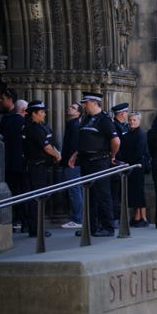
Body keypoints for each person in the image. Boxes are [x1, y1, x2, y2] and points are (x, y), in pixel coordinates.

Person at [69, 91, 119, 237]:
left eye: (86, 103)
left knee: (103, 194)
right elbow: (84, 140)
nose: (84, 106)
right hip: (86, 161)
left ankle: (107, 227)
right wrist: (75, 154)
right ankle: (91, 226)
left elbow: (115, 141)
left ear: (94, 102)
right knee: (89, 195)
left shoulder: (104, 120)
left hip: (99, 160)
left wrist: (112, 155)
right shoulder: (86, 119)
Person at [22, 100, 60, 237]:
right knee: (37, 197)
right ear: (34, 113)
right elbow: (46, 147)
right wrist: (57, 155)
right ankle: (36, 229)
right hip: (37, 166)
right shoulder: (34, 128)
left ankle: (36, 227)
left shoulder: (38, 126)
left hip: (39, 166)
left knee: (39, 197)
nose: (44, 114)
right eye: (42, 112)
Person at [0, 87, 26, 231]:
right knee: (20, 191)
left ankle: (18, 220)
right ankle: (21, 220)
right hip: (17, 163)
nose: (0, 101)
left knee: (17, 191)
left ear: (10, 99)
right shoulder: (17, 120)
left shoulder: (10, 120)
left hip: (10, 163)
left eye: (2, 98)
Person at [118, 111, 149, 228]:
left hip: (137, 166)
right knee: (133, 192)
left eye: (134, 120)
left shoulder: (141, 134)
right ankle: (136, 216)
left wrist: (128, 161)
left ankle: (142, 217)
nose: (131, 122)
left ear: (139, 121)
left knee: (139, 191)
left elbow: (139, 152)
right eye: (130, 120)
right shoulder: (127, 134)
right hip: (129, 166)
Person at [59, 102, 83, 229]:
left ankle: (77, 219)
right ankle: (78, 217)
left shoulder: (75, 126)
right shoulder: (72, 124)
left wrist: (70, 160)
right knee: (75, 190)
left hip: (72, 163)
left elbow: (74, 146)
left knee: (74, 190)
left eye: (73, 108)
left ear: (79, 113)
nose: (69, 108)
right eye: (70, 106)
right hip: (71, 162)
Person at [110, 102, 130, 227]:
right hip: (117, 161)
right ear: (122, 114)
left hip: (124, 163)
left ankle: (120, 217)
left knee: (120, 192)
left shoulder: (124, 126)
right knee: (115, 192)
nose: (127, 115)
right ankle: (115, 217)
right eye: (126, 113)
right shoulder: (115, 126)